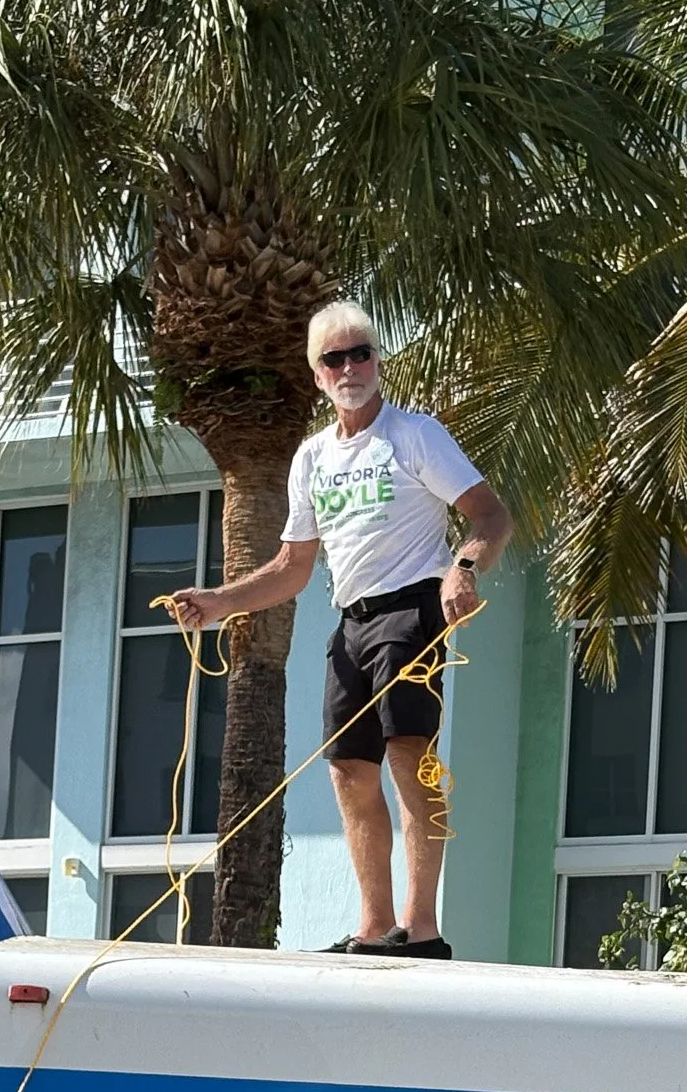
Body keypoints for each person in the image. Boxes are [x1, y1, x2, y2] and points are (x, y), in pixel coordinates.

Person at [166, 301, 513, 958]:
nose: (350, 367)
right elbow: (292, 568)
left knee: (410, 753)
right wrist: (218, 601)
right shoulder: (311, 459)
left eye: (362, 353)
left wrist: (462, 569)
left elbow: (491, 517)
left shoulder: (414, 436)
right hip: (351, 621)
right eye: (335, 358)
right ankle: (374, 925)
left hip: (413, 605)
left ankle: (422, 928)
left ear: (378, 362)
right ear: (317, 375)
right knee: (349, 771)